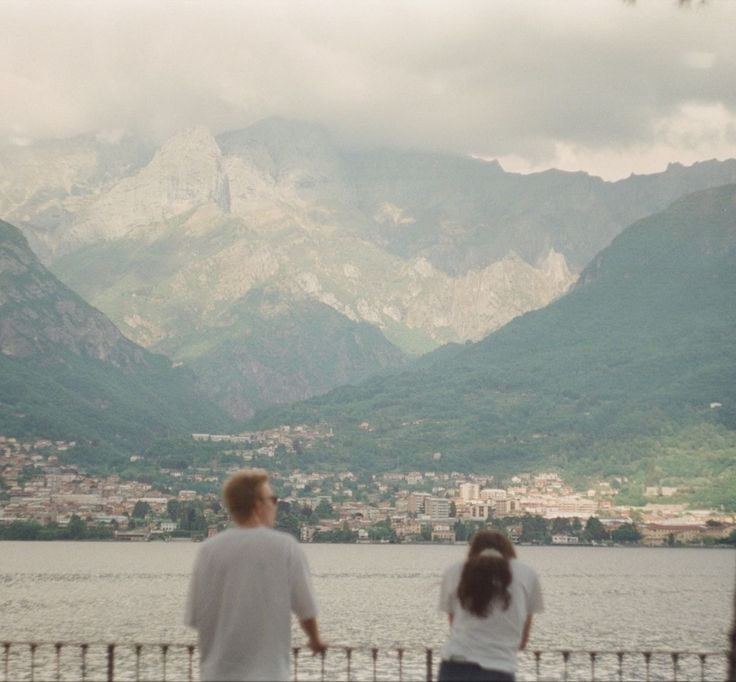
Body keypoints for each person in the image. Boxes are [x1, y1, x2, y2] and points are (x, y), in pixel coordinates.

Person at [185, 469, 326, 681]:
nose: (275, 505)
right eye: (273, 499)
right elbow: (306, 609)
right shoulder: (285, 547)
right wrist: (315, 640)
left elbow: (196, 617)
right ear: (258, 504)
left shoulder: (208, 551)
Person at [438, 530, 543, 682]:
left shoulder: (453, 572)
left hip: (454, 666)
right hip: (499, 668)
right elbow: (522, 640)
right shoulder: (527, 574)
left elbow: (454, 625)